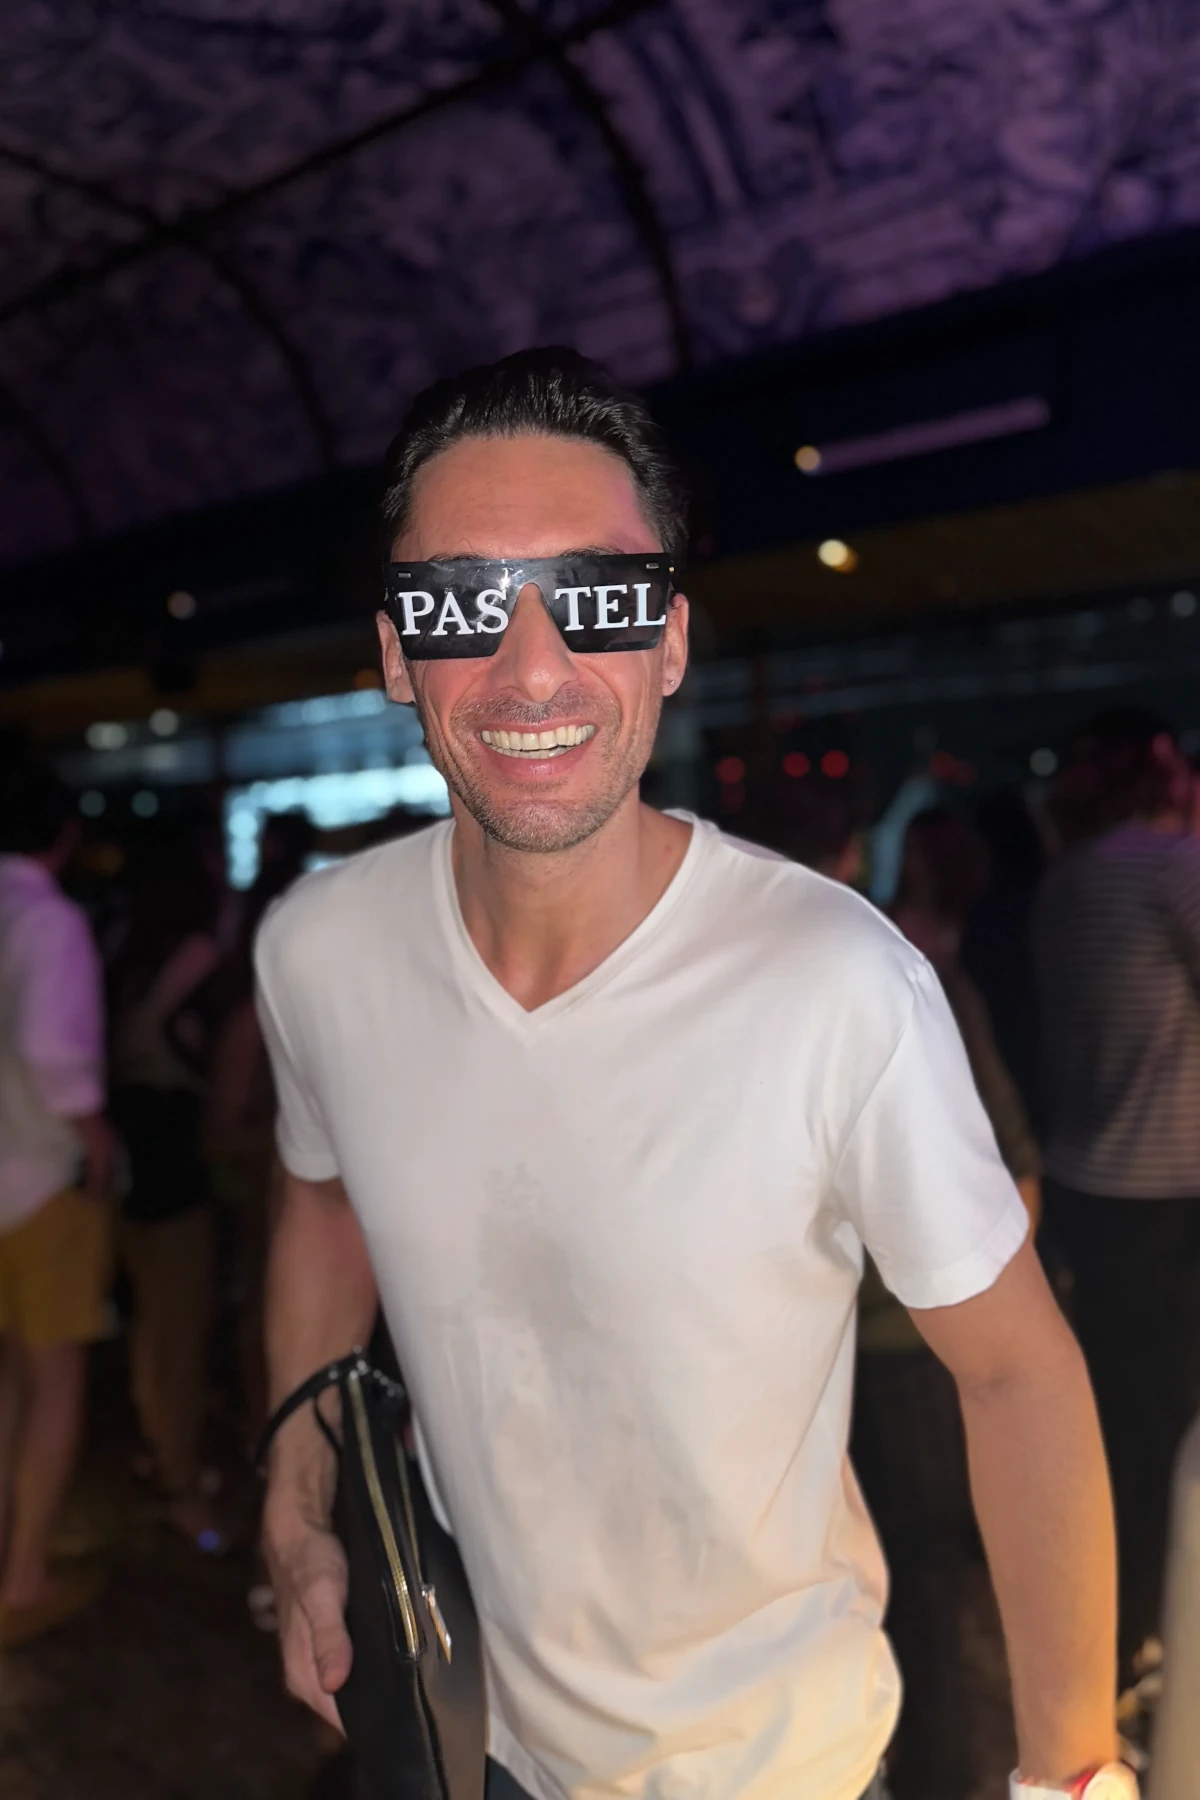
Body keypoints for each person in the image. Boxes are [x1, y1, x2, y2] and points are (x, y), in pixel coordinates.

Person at [259, 348, 1128, 1800]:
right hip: (476, 1740)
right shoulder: (321, 950)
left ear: (666, 641)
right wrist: (298, 1504)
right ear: (398, 652)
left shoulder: (835, 985)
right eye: (463, 607)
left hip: (781, 1760)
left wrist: (1074, 1777)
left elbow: (1022, 1377)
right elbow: (319, 1200)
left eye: (595, 601)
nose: (532, 669)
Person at [1033, 709, 1200, 1695]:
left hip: (1092, 1186)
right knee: (1179, 1434)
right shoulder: (1167, 866)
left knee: (1126, 1433)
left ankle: (1131, 1634)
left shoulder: (1069, 879)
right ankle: (1167, 1645)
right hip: (1171, 1189)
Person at [0, 761, 114, 1646]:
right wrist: (100, 1139)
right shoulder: (48, 920)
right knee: (53, 1377)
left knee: (7, 1377)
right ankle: (25, 1573)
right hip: (38, 1178)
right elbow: (52, 1054)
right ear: (64, 836)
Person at [108, 834, 223, 1551]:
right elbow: (161, 1038)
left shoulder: (125, 947)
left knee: (153, 1321)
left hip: (130, 1141)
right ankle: (180, 1478)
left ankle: (159, 1450)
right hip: (173, 1146)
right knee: (181, 1325)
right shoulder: (194, 953)